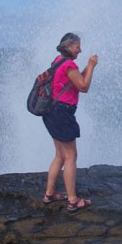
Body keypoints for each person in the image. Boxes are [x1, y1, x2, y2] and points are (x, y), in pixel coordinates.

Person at [42, 32, 98, 212]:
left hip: (51, 111)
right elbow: (83, 87)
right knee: (70, 156)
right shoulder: (69, 64)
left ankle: (49, 194)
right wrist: (91, 66)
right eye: (77, 47)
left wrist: (86, 69)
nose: (80, 50)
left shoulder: (58, 61)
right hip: (62, 113)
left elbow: (75, 81)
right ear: (68, 46)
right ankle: (73, 200)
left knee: (60, 155)